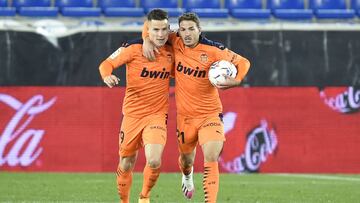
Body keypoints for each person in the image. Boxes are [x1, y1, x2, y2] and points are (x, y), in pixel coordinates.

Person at [142, 12, 250, 203]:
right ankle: (187, 176)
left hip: (210, 114)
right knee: (187, 161)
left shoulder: (214, 50)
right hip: (186, 118)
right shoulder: (174, 40)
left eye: (191, 29)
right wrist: (146, 41)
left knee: (211, 156)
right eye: (183, 29)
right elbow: (150, 28)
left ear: (199, 30)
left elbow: (243, 62)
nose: (187, 33)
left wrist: (237, 80)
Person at [99, 9, 174, 203]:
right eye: (155, 30)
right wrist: (107, 76)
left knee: (154, 160)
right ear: (147, 29)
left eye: (164, 29)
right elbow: (105, 64)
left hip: (157, 115)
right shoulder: (133, 48)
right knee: (126, 163)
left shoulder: (172, 48)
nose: (160, 34)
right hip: (132, 115)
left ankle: (144, 197)